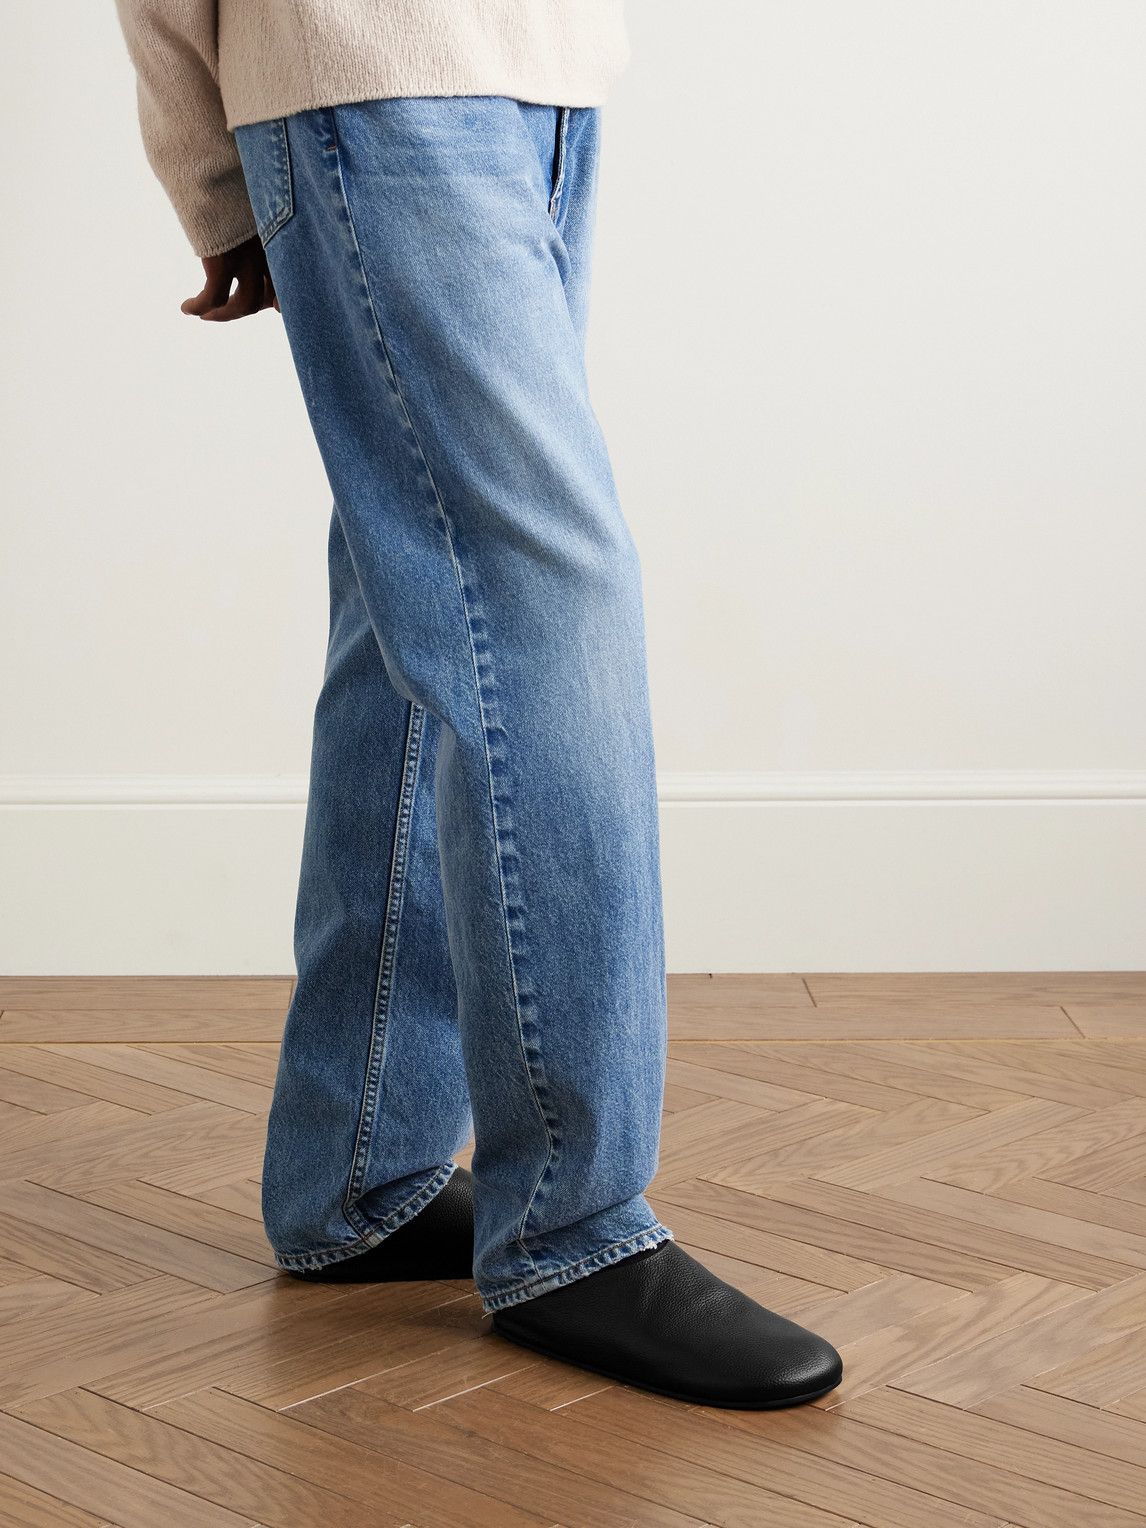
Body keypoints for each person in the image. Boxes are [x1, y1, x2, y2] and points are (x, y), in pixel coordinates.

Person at [115, 0, 842, 1409]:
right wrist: (212, 164)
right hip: (372, 73)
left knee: (426, 594)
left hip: (534, 77)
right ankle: (572, 1225)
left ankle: (355, 1175)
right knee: (538, 594)